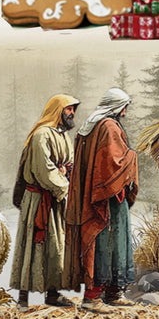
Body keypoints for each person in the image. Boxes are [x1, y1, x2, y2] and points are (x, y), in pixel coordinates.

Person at [63, 87, 138, 307]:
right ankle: (94, 297)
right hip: (109, 198)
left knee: (106, 244)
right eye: (123, 107)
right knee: (107, 244)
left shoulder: (90, 125)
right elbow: (115, 162)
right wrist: (133, 157)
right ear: (116, 107)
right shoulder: (108, 126)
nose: (124, 113)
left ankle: (112, 294)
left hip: (98, 196)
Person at [10, 94, 79, 308]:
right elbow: (44, 171)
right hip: (38, 199)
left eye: (73, 109)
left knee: (55, 247)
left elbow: (69, 164)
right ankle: (23, 299)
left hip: (55, 200)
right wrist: (65, 185)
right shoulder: (41, 135)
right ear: (57, 110)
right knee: (32, 244)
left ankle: (52, 294)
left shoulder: (64, 136)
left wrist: (65, 174)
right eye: (68, 109)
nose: (72, 113)